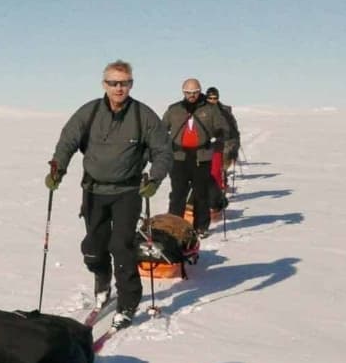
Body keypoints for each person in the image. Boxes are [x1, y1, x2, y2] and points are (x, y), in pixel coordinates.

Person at [46, 60, 172, 330]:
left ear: (131, 85)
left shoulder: (143, 115)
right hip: (93, 190)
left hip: (128, 191)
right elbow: (68, 140)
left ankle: (128, 301)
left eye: (124, 83)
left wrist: (155, 178)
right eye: (113, 83)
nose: (118, 88)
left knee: (121, 246)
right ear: (104, 84)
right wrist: (58, 168)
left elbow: (163, 150)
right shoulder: (89, 112)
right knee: (93, 247)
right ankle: (102, 281)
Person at [163, 79, 232, 237]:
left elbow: (223, 128)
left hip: (202, 157)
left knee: (201, 194)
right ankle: (174, 227)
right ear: (183, 92)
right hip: (178, 158)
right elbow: (161, 129)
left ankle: (201, 227)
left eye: (194, 92)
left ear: (199, 91)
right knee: (177, 194)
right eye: (188, 93)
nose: (191, 96)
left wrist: (220, 135)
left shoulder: (211, 109)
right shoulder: (174, 110)